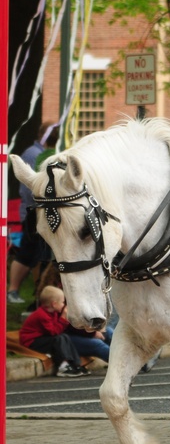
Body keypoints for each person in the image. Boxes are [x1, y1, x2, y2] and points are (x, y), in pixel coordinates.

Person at [8, 121, 57, 304]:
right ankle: (12, 290)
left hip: (41, 212)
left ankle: (39, 292)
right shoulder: (33, 154)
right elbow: (30, 187)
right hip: (32, 212)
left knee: (40, 254)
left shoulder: (47, 154)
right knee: (28, 253)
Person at [20, 286, 90, 377]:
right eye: (62, 302)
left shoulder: (54, 313)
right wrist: (63, 319)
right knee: (59, 339)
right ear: (54, 304)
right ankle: (63, 366)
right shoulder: (42, 315)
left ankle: (76, 364)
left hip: (42, 337)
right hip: (31, 341)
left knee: (64, 337)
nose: (63, 304)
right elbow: (54, 332)